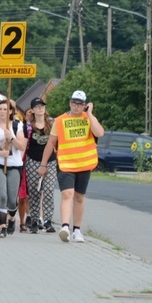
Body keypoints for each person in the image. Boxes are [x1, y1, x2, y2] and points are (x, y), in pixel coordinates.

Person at [39, 90, 104, 243]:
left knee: (79, 197)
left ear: (85, 105)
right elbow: (50, 143)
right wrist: (43, 164)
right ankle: (65, 227)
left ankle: (77, 230)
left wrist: (90, 114)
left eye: (80, 104)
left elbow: (99, 133)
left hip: (84, 163)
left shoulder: (88, 118)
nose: (77, 106)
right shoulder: (60, 120)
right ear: (70, 103)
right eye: (74, 103)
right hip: (66, 163)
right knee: (67, 194)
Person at [0, 100, 26, 238]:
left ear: (11, 112)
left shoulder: (17, 125)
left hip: (14, 165)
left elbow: (21, 146)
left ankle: (12, 218)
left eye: (5, 109)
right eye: (0, 109)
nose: (2, 112)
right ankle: (2, 226)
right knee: (2, 195)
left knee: (12, 199)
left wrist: (11, 137)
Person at [24, 97, 58, 234]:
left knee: (48, 190)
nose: (40, 108)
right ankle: (34, 219)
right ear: (32, 110)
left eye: (42, 106)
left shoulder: (52, 124)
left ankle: (48, 220)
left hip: (50, 161)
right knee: (34, 192)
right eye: (37, 106)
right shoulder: (27, 126)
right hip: (33, 160)